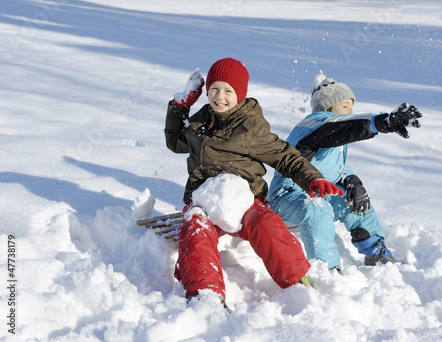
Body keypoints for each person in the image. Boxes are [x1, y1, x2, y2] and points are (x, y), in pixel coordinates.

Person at [164, 58, 344, 302]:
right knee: (195, 230)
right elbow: (175, 142)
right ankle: (205, 295)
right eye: (215, 89)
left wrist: (312, 179)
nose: (220, 96)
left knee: (268, 226)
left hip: (244, 200)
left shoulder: (250, 127)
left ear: (239, 94)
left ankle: (298, 283)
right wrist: (179, 106)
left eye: (229, 91)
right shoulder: (200, 122)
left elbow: (284, 156)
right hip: (205, 200)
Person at [268, 72, 422, 272]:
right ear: (327, 107)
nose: (350, 112)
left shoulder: (332, 135)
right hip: (287, 200)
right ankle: (327, 269)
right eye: (345, 106)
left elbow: (336, 166)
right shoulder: (314, 124)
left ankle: (375, 251)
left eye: (352, 107)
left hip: (318, 192)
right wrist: (381, 123)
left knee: (357, 202)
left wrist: (352, 182)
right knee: (318, 208)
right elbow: (344, 127)